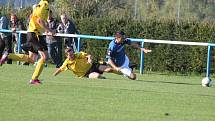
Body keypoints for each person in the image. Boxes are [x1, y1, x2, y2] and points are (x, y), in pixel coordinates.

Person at [0, 0, 55, 85]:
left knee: (32, 59)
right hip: (34, 34)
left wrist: (46, 30)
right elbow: (39, 21)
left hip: (37, 34)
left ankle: (8, 56)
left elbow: (38, 19)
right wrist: (50, 30)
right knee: (43, 57)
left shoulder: (43, 4)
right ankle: (34, 79)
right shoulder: (44, 5)